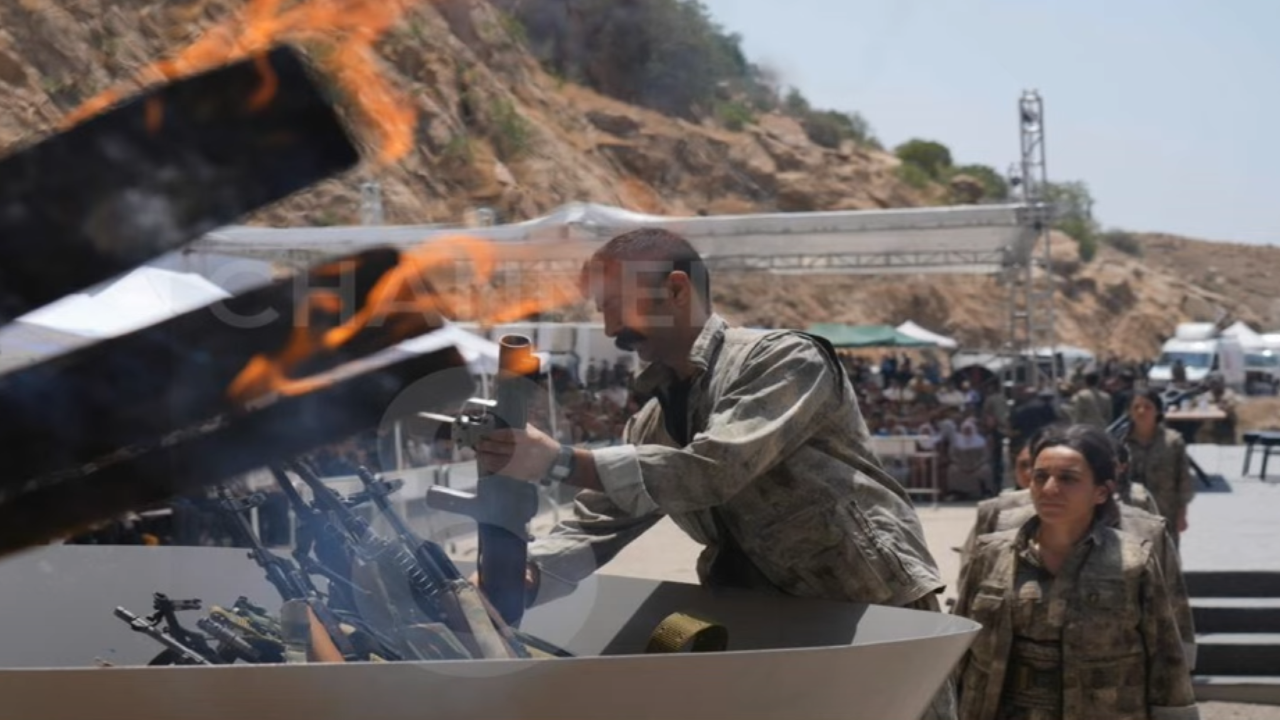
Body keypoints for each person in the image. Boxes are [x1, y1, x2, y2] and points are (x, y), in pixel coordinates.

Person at [476, 227, 956, 720]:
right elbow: (599, 519)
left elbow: (713, 469)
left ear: (677, 290)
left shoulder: (784, 359)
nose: (609, 327)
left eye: (615, 303)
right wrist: (527, 573)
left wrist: (557, 460)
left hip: (870, 615)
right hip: (762, 622)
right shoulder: (656, 419)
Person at [951, 424, 1199, 720]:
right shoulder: (990, 554)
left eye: (1068, 479)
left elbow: (1166, 660)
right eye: (1040, 476)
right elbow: (959, 650)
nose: (1049, 489)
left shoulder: (1135, 562)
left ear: (1101, 491)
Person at [1123, 389, 1194, 543]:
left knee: (1166, 562)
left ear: (1157, 411)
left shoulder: (1172, 442)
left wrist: (1182, 514)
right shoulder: (1121, 444)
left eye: (1147, 407)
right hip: (1130, 517)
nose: (1141, 411)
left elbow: (1183, 479)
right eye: (1136, 407)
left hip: (1165, 514)